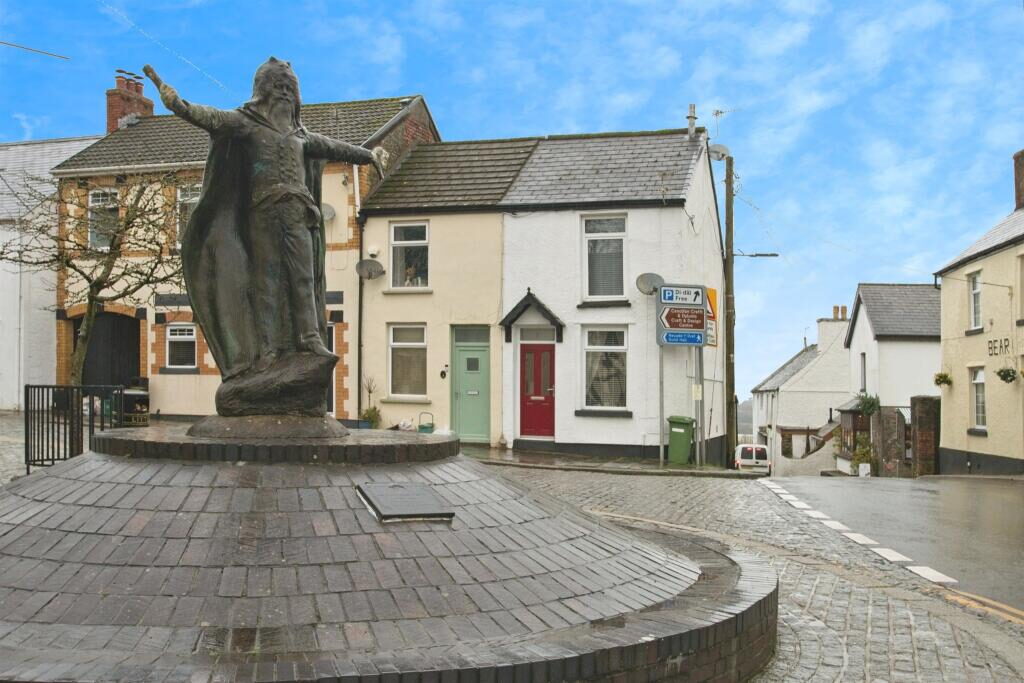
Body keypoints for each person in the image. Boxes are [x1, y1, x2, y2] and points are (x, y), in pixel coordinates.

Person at [143, 59, 388, 379]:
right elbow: (210, 118)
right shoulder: (247, 123)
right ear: (265, 91)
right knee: (267, 283)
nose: (285, 95)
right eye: (279, 88)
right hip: (263, 215)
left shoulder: (302, 135)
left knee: (303, 278)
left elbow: (337, 147)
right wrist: (178, 104)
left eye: (290, 89)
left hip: (298, 214)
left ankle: (310, 339)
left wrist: (369, 155)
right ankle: (269, 349)